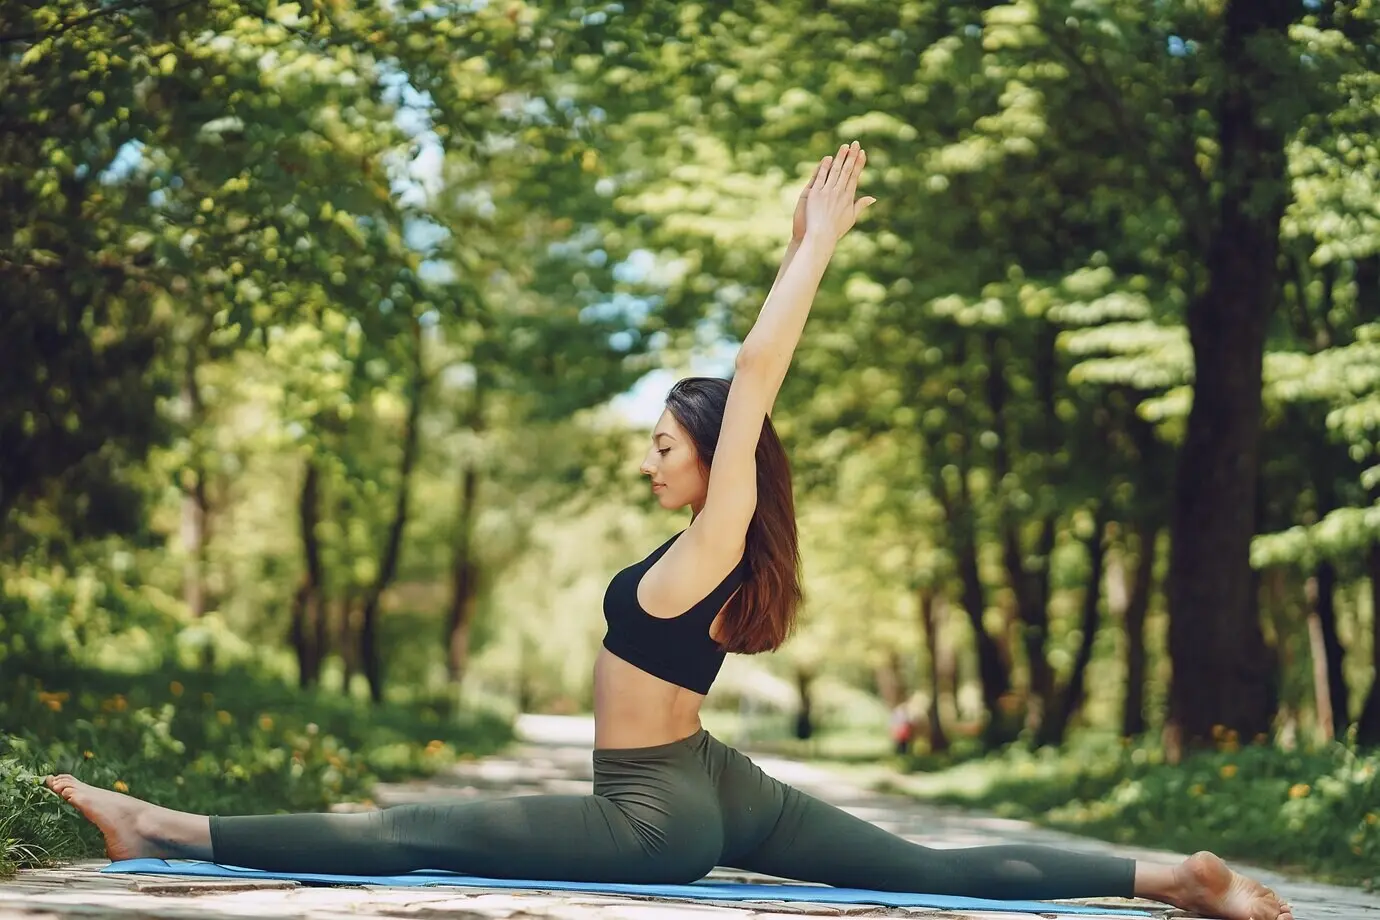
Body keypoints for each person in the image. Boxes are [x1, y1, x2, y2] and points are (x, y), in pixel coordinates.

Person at [46, 141, 1291, 920]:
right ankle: (1174, 877)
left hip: (651, 813)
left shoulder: (713, 535)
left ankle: (162, 824)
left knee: (407, 831)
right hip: (711, 785)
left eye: (663, 441)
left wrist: (809, 251)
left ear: (711, 461)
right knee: (920, 860)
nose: (650, 455)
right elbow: (739, 401)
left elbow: (755, 378)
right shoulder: (716, 548)